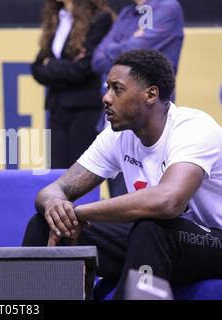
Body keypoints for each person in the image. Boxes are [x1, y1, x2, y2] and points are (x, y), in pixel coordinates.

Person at [23, 49, 222, 299]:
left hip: (213, 242)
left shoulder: (194, 128)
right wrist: (55, 206)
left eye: (117, 89)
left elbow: (168, 201)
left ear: (150, 94)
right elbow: (54, 190)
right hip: (158, 244)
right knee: (45, 224)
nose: (106, 98)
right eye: (107, 88)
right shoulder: (117, 135)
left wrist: (79, 212)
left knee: (152, 226)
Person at [91, 0, 184, 197]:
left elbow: (134, 53)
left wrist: (116, 47)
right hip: (113, 126)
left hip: (148, 122)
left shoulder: (167, 7)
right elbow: (97, 59)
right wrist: (129, 43)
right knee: (117, 208)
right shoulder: (126, 13)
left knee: (144, 210)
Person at [31, 0, 114, 169]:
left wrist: (51, 64)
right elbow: (37, 68)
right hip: (57, 108)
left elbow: (84, 69)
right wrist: (62, 66)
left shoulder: (100, 18)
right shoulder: (56, 17)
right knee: (57, 173)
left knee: (80, 174)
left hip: (84, 109)